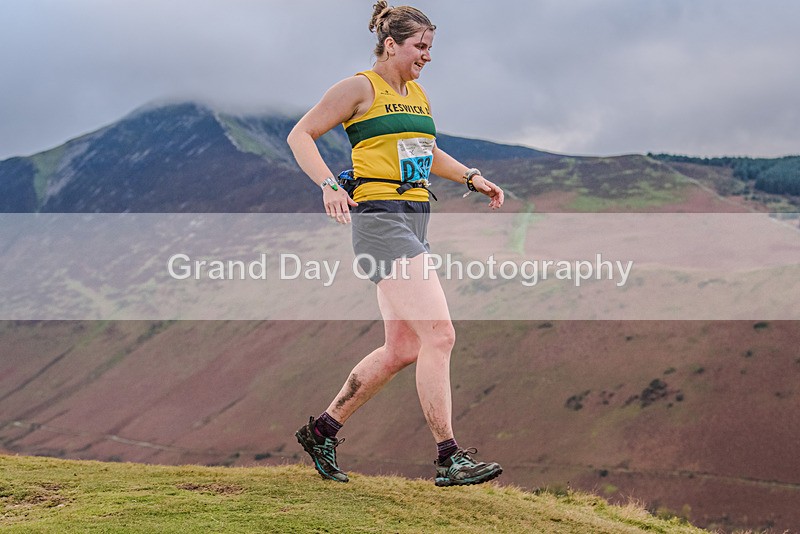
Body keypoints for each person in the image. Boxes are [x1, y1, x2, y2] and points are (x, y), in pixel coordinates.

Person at [287, 1, 504, 487]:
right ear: (391, 44)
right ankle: (449, 457)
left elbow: (426, 152)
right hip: (379, 220)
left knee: (402, 348)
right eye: (419, 47)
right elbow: (300, 135)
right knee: (441, 334)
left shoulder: (418, 95)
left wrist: (471, 176)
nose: (427, 56)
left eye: (430, 48)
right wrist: (327, 184)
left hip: (414, 218)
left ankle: (322, 430)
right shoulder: (359, 88)